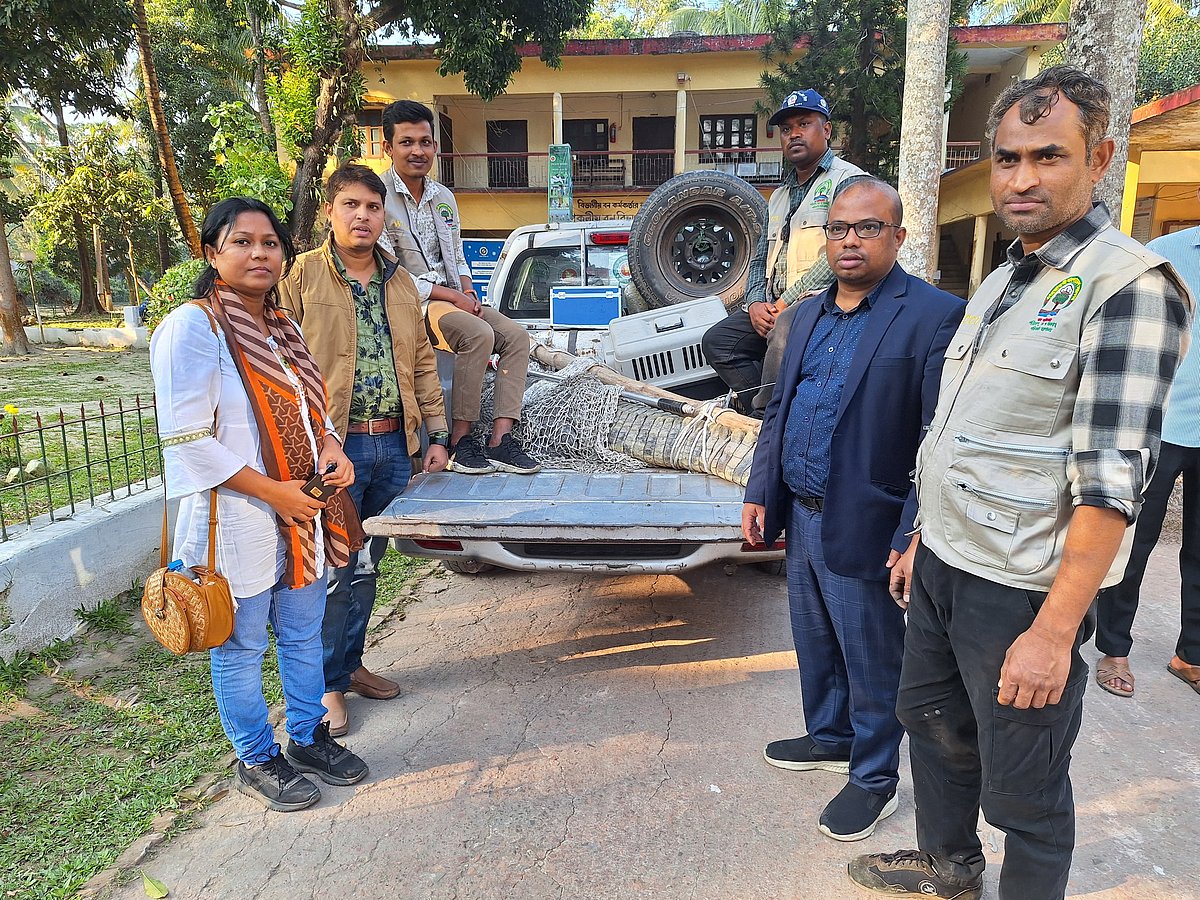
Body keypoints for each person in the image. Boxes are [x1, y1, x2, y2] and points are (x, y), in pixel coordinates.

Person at [849, 66, 1192, 900]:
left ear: (1100, 157)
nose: (1021, 178)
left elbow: (1112, 480)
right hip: (945, 563)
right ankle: (949, 869)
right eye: (1007, 159)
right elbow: (968, 430)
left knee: (1025, 787)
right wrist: (925, 533)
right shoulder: (1005, 280)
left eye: (1048, 156)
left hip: (1023, 588)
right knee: (930, 730)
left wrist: (1053, 630)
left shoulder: (1127, 288)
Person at [743, 178, 964, 842]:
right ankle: (831, 736)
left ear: (898, 236)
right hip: (802, 514)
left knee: (872, 659)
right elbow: (778, 411)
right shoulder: (805, 315)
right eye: (838, 228)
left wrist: (912, 530)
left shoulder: (931, 315)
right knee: (815, 643)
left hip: (869, 520)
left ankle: (873, 778)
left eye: (867, 228)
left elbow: (937, 437)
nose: (849, 240)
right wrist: (760, 491)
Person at [151, 198, 370, 812]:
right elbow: (187, 442)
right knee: (242, 645)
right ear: (212, 252)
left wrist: (329, 443)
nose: (258, 253)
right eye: (242, 242)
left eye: (269, 243)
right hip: (238, 518)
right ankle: (257, 755)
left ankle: (306, 737)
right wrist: (278, 495)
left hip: (302, 511)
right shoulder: (193, 327)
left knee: (301, 634)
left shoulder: (282, 325)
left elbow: (310, 407)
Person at [278, 164, 451, 736]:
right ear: (329, 211)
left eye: (373, 208)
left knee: (370, 565)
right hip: (333, 448)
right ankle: (327, 685)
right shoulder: (300, 277)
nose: (362, 216)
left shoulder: (401, 283)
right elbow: (277, 360)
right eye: (350, 205)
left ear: (385, 215)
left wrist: (438, 434)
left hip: (394, 445)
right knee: (334, 570)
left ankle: (351, 666)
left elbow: (423, 362)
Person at [376, 99, 540, 476]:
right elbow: (391, 272)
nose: (418, 151)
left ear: (435, 146)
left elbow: (457, 256)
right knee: (477, 334)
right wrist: (452, 297)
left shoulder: (444, 198)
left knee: (516, 336)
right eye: (406, 142)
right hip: (413, 302)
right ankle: (461, 442)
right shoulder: (378, 197)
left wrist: (467, 288)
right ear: (388, 147)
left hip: (452, 297)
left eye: (425, 141)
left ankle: (500, 439)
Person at [701, 89, 866, 416]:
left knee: (782, 332)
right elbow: (761, 256)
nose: (794, 134)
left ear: (827, 130)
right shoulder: (778, 195)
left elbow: (841, 253)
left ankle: (769, 422)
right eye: (787, 129)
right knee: (718, 342)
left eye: (804, 124)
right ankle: (768, 412)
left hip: (824, 300)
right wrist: (755, 303)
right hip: (776, 303)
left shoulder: (849, 182)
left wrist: (782, 303)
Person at [1094, 205, 1200, 698]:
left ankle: (1191, 654)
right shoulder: (1164, 256)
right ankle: (1114, 648)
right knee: (1132, 543)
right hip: (1161, 427)